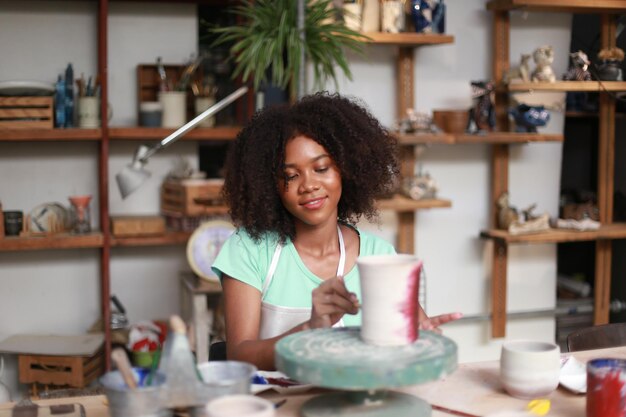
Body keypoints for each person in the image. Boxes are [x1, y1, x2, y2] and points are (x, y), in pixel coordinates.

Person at [212, 92, 462, 370]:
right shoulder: (249, 250)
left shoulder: (378, 256)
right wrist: (309, 328)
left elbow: (405, 342)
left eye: (321, 168)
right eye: (291, 176)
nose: (309, 185)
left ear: (346, 169)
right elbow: (239, 355)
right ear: (270, 185)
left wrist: (422, 338)